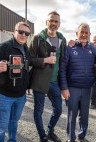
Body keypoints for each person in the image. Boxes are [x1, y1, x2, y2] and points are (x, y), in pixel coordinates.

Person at [0, 22, 31, 142]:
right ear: (14, 32)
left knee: (14, 122)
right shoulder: (3, 47)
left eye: (26, 33)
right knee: (1, 126)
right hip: (4, 95)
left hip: (20, 95)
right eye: (20, 32)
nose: (23, 35)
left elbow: (29, 64)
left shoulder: (26, 49)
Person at [29, 11, 66, 142]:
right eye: (51, 20)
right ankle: (42, 135)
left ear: (59, 24)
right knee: (38, 110)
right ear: (46, 22)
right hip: (40, 81)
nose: (53, 23)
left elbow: (63, 61)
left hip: (54, 81)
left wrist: (64, 84)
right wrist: (45, 60)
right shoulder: (37, 38)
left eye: (56, 21)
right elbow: (30, 59)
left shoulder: (62, 39)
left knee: (59, 109)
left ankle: (50, 131)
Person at [60, 23, 96, 142]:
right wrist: (64, 88)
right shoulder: (70, 48)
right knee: (72, 115)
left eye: (87, 33)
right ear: (77, 34)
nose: (84, 35)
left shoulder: (93, 49)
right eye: (82, 32)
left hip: (87, 89)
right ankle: (71, 138)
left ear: (90, 34)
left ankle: (82, 136)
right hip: (72, 88)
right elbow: (63, 69)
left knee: (84, 115)